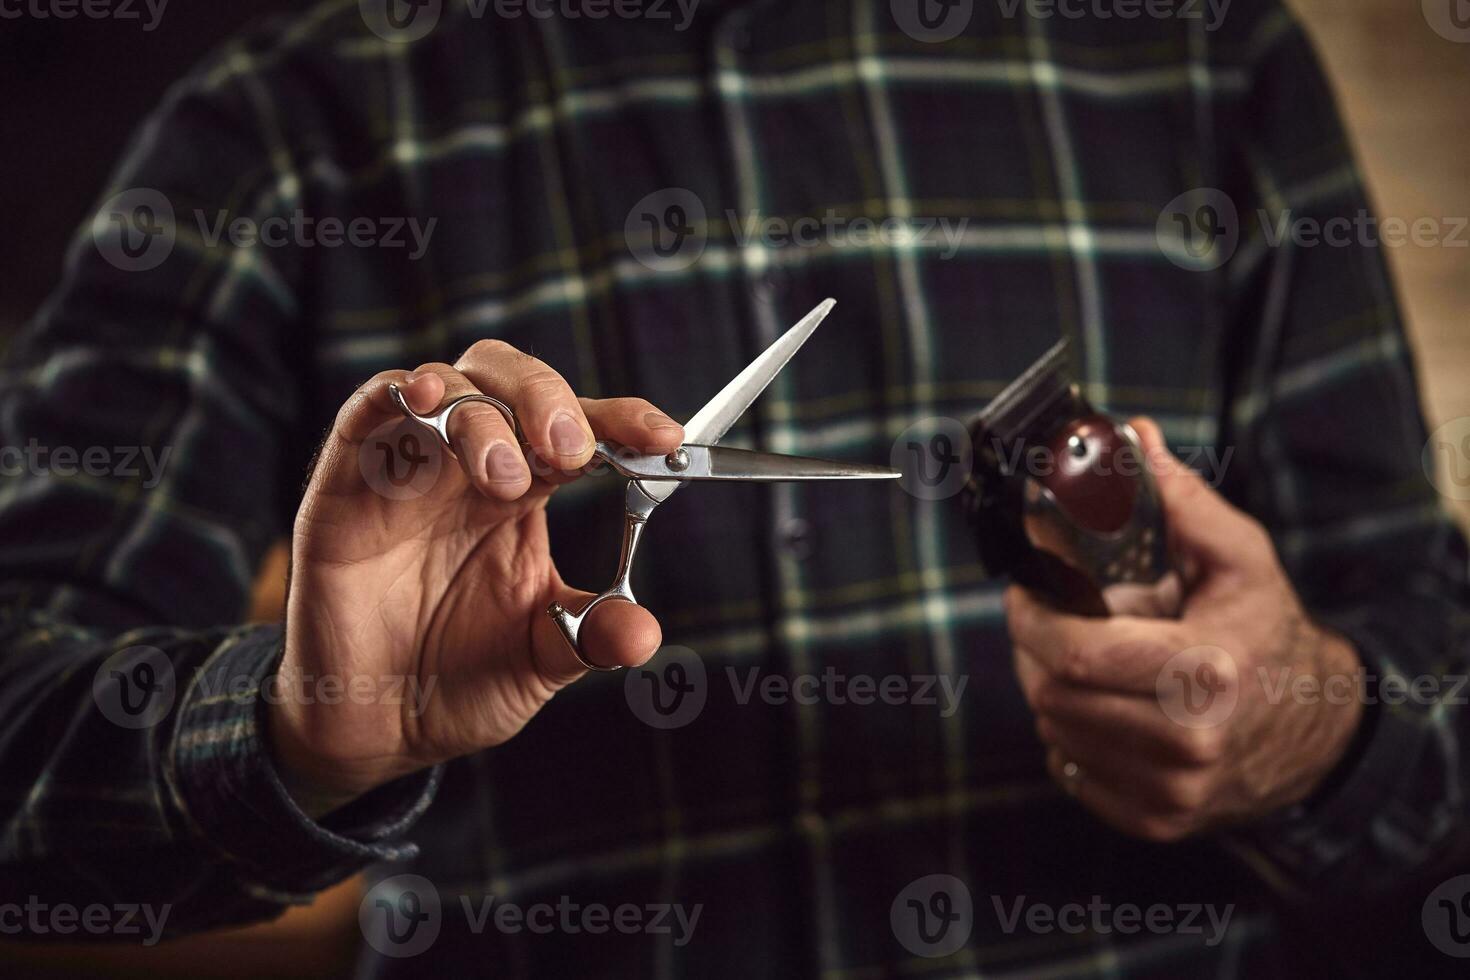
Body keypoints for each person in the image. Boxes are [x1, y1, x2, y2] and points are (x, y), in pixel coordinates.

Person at [2, 0, 1467, 974]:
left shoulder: (1198, 51)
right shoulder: (286, 118)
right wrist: (296, 732)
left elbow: (1436, 684)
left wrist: (1309, 722)